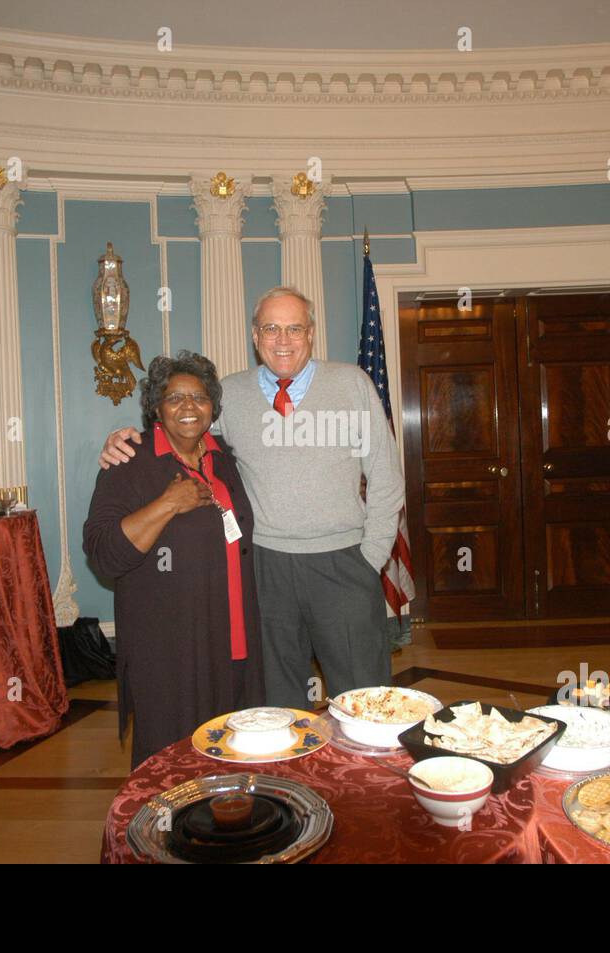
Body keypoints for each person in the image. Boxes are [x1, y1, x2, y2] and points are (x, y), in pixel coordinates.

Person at [101, 287, 405, 710]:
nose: (283, 339)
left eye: (294, 328)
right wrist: (126, 437)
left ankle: (365, 776)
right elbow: (183, 431)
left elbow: (387, 477)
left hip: (344, 564)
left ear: (311, 333)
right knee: (275, 702)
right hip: (264, 568)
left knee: (364, 699)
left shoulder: (351, 385)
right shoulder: (228, 395)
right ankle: (288, 776)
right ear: (255, 335)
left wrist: (369, 557)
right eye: (271, 328)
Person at [84, 352, 265, 766]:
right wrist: (166, 504)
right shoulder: (130, 461)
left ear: (213, 407)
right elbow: (102, 554)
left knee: (232, 753)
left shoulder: (225, 459)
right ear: (155, 408)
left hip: (233, 637)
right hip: (169, 650)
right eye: (174, 398)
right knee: (173, 763)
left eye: (199, 397)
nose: (188, 407)